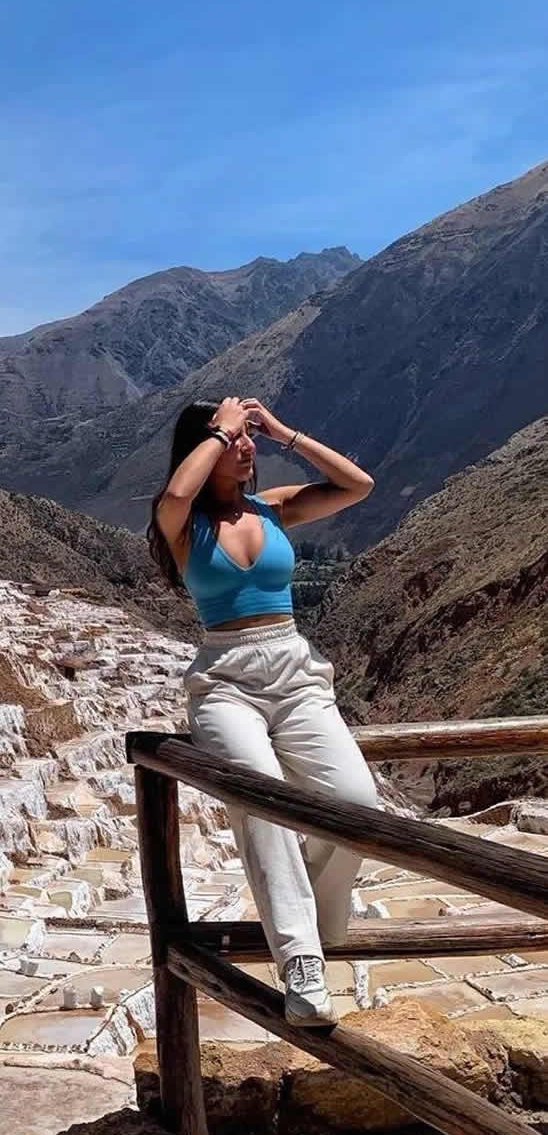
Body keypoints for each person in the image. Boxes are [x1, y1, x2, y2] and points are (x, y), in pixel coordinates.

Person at [147, 396, 378, 1026]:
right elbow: (173, 496)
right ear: (207, 445)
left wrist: (284, 432)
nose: (246, 447)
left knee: (358, 805)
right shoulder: (183, 524)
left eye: (250, 439)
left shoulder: (272, 507)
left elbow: (357, 486)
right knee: (263, 803)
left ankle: (320, 919)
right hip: (225, 680)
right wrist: (221, 433)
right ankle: (301, 960)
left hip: (296, 671)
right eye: (234, 439)